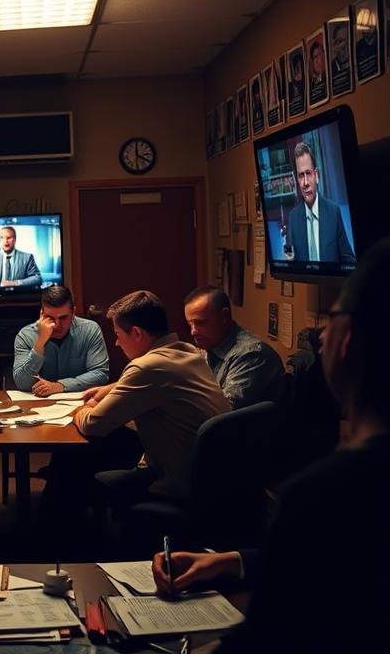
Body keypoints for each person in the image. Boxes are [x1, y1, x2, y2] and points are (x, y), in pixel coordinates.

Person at [151, 239, 390, 653]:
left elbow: (269, 638)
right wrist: (229, 562)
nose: (319, 334)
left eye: (329, 318)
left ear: (346, 340)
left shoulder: (326, 494)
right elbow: (327, 566)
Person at [73, 290, 227, 502]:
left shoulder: (145, 367)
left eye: (118, 335)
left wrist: (81, 410)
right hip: (216, 478)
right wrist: (112, 388)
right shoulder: (188, 351)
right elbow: (159, 379)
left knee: (74, 472)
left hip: (179, 483)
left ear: (136, 333)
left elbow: (93, 424)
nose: (117, 343)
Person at [184, 286, 284, 409]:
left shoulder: (251, 354)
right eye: (190, 324)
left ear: (225, 316)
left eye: (201, 323)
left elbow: (223, 411)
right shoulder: (210, 347)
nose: (193, 332)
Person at [13, 285, 109, 397]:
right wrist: (40, 343)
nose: (57, 325)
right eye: (50, 318)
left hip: (79, 403)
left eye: (63, 318)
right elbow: (22, 383)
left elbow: (101, 374)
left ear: (73, 313)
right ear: (41, 314)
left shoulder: (90, 329)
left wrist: (60, 386)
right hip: (39, 404)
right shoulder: (26, 335)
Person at [287, 140, 356, 263]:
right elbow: (289, 260)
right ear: (297, 179)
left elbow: (349, 259)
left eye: (308, 173)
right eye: (301, 175)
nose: (305, 183)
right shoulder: (292, 217)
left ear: (316, 175)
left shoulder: (333, 212)